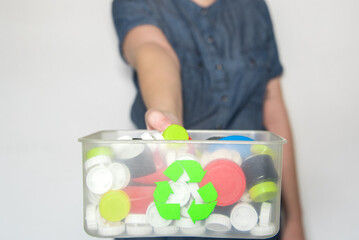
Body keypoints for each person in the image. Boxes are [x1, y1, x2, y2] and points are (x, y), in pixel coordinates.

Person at [112, 0, 305, 239]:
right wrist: (167, 116)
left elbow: (274, 113)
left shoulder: (254, 7)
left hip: (250, 213)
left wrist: (294, 218)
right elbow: (152, 49)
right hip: (173, 217)